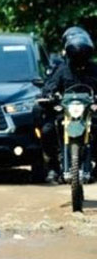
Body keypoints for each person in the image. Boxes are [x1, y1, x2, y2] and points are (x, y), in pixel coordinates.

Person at [41, 29, 97, 182]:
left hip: (90, 112)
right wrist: (48, 95)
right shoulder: (62, 69)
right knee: (48, 130)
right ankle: (53, 166)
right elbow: (50, 86)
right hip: (66, 113)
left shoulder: (94, 70)